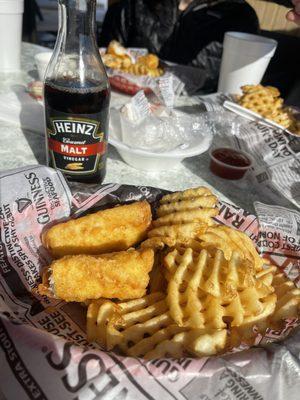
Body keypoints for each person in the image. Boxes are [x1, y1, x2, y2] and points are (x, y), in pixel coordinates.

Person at [99, 0, 259, 90]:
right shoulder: (130, 6)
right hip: (127, 107)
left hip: (200, 117)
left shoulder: (240, 17)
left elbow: (242, 87)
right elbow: (103, 66)